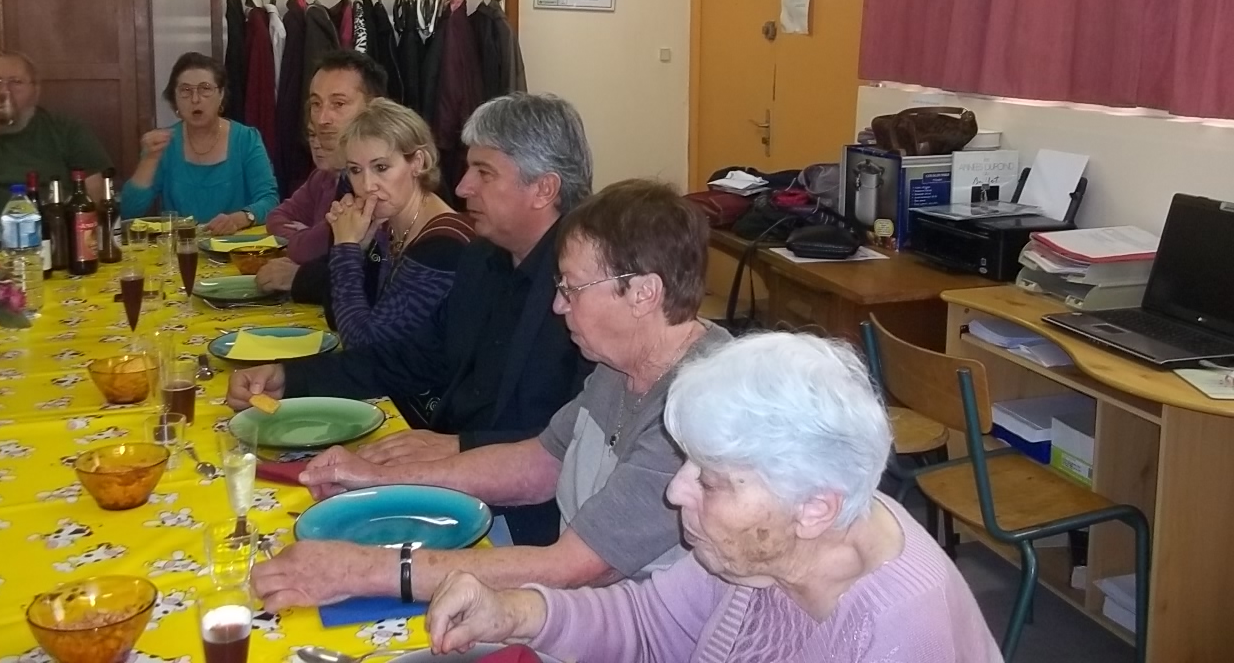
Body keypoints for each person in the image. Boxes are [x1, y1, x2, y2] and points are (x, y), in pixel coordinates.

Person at [251, 180, 728, 611]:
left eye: (572, 288)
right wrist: (380, 479)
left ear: (644, 294)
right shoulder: (622, 364)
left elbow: (576, 567)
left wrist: (360, 570)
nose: (558, 305)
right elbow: (542, 461)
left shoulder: (702, 408)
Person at [424, 332, 1004, 663]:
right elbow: (650, 621)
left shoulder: (901, 637)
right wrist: (514, 610)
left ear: (815, 508)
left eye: (710, 479)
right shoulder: (762, 548)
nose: (678, 492)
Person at [227, 92, 595, 544]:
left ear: (544, 188)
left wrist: (456, 449)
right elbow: (411, 358)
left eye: (483, 172)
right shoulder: (485, 258)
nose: (461, 188)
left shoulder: (591, 286)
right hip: (454, 465)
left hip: (533, 521)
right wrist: (291, 378)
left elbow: (583, 435)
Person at [325, 98, 475, 354]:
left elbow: (365, 347)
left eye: (381, 167)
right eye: (355, 170)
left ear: (417, 163)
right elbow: (337, 317)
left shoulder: (442, 247)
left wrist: (345, 249)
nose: (367, 185)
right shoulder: (388, 227)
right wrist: (358, 249)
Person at [260, 49, 388, 296]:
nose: (321, 119)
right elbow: (277, 218)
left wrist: (303, 270)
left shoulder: (382, 178)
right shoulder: (336, 175)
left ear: (374, 108)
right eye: (316, 104)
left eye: (338, 104)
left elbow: (376, 279)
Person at [121, 52, 278, 234]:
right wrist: (148, 161)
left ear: (221, 94)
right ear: (175, 99)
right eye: (185, 91)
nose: (195, 99)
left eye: (205, 89)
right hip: (179, 252)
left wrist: (239, 219)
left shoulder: (246, 139)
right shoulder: (163, 143)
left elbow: (270, 201)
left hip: (235, 251)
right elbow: (129, 212)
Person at [0, 51, 110, 231]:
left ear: (35, 91)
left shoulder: (65, 129)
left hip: (45, 243)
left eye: (16, 82)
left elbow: (95, 193)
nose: (4, 90)